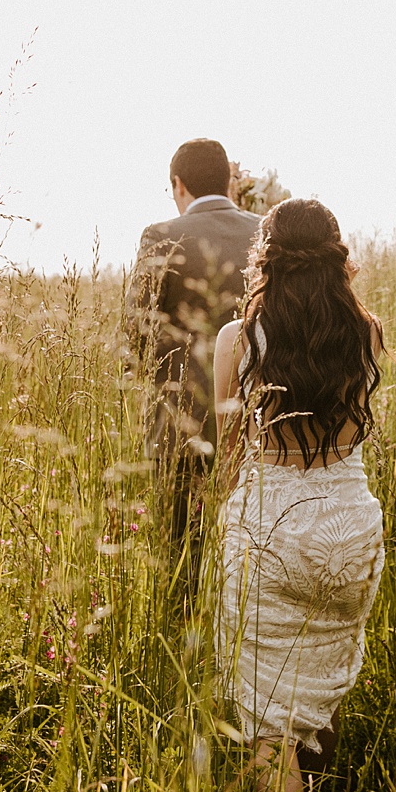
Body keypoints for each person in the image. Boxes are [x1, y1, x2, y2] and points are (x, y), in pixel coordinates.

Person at [212, 197, 386, 792]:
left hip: (270, 526)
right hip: (350, 526)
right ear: (339, 257)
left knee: (267, 718)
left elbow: (227, 447)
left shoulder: (238, 339)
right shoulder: (365, 330)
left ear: (266, 259)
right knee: (322, 686)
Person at [129, 138, 262, 586]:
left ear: (177, 184)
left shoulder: (161, 236)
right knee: (249, 561)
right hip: (258, 423)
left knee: (181, 563)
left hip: (179, 429)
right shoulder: (266, 232)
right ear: (229, 181)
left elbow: (135, 338)